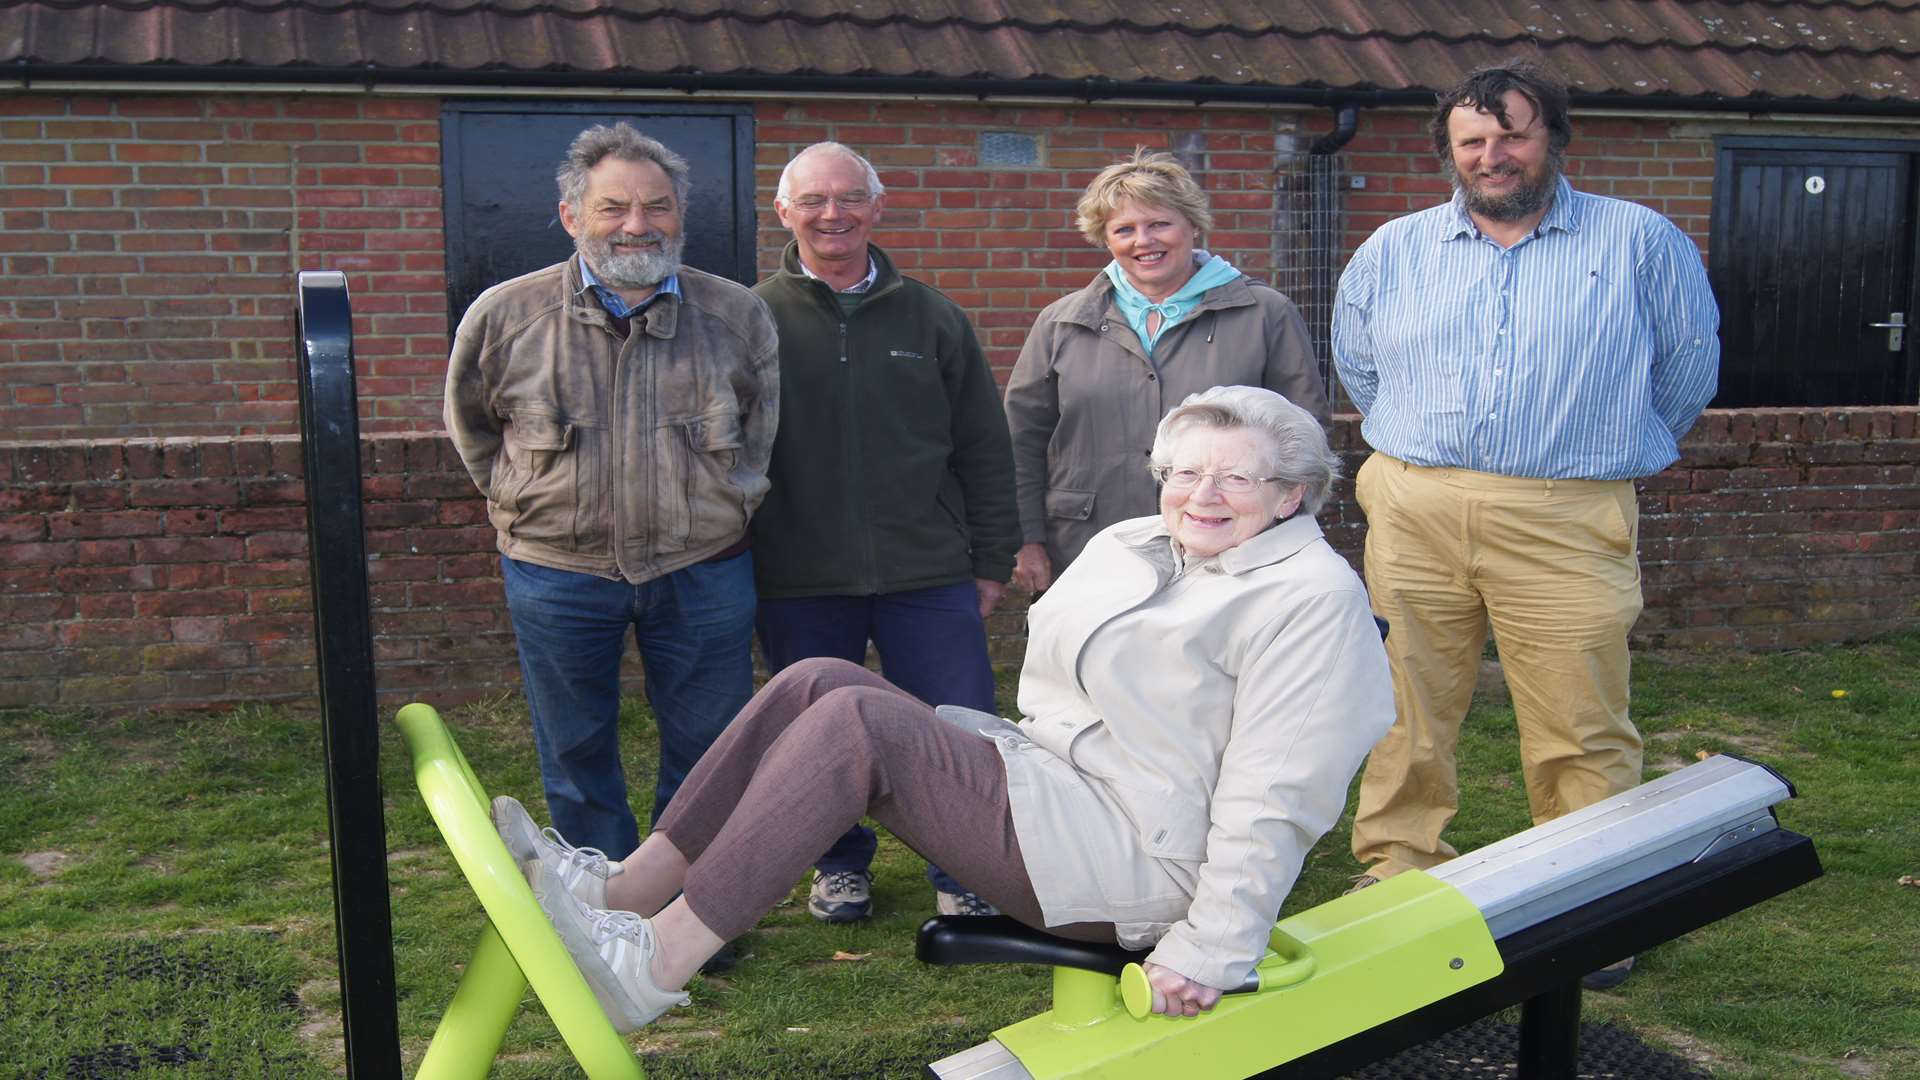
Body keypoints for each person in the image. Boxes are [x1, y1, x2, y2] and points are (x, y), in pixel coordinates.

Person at [493, 385, 1393, 1031]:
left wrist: (1212, 946)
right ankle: (625, 888)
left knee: (861, 727)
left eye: (1235, 480)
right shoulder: (1138, 543)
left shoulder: (1309, 600)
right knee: (816, 677)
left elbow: (1280, 792)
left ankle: (655, 966)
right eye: (1186, 471)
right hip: (1061, 792)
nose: (1202, 495)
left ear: (1293, 496)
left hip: (1146, 866)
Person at [1332, 60, 1719, 991]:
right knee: (1401, 709)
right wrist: (1429, 454)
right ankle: (1397, 874)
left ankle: (1593, 902)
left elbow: (1686, 371)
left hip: (1565, 513)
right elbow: (1360, 364)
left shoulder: (1638, 242)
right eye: (1473, 141)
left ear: (1552, 138)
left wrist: (1588, 455)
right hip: (1414, 504)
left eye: (1513, 134)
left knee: (1580, 721)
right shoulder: (1395, 248)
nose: (1493, 155)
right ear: (1450, 153)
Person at [444, 122, 780, 864]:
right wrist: (526, 504)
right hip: (557, 573)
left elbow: (760, 436)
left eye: (656, 207)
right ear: (572, 217)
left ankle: (684, 906)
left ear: (680, 216)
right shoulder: (505, 317)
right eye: (613, 207)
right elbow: (475, 433)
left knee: (709, 752)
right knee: (574, 747)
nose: (637, 225)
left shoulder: (736, 316)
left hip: (702, 569)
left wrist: (721, 506)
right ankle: (596, 898)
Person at [751, 142, 1022, 922]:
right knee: (813, 736)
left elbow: (982, 446)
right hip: (798, 573)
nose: (831, 214)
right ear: (784, 212)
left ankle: (967, 868)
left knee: (959, 727)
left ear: (878, 207)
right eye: (813, 201)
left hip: (927, 570)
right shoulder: (749, 317)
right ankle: (839, 867)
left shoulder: (934, 318)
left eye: (848, 198)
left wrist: (990, 556)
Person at [1003, 149, 1330, 594]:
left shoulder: (1265, 314)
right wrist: (1026, 538)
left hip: (1230, 548)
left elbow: (1304, 437)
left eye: (1159, 223)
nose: (1143, 241)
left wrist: (1284, 535)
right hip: (1086, 547)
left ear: (1192, 225)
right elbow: (1021, 439)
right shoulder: (1061, 322)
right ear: (1106, 239)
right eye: (1124, 229)